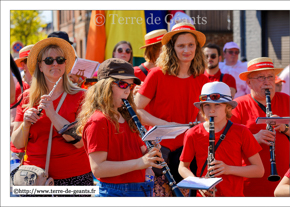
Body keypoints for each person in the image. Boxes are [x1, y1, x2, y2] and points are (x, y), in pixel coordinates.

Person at [11, 37, 92, 196]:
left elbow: (80, 142)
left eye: (60, 59)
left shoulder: (82, 96)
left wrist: (52, 114)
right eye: (49, 60)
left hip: (74, 177)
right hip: (34, 178)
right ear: (40, 66)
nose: (55, 63)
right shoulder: (27, 97)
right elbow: (17, 143)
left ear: (65, 64)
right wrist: (25, 124)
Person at [135, 22, 209, 196]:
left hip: (189, 149)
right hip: (160, 149)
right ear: (171, 48)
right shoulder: (157, 74)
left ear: (197, 48)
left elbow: (202, 117)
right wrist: (168, 125)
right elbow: (137, 110)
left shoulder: (203, 78)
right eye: (181, 45)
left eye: (191, 45)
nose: (186, 50)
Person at [76, 58, 163, 197]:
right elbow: (98, 168)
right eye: (122, 84)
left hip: (140, 188)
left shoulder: (128, 117)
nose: (128, 91)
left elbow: (140, 152)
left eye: (130, 86)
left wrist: (151, 152)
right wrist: (140, 162)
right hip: (115, 192)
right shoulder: (98, 121)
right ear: (106, 86)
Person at [179, 82, 264, 197]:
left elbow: (259, 170)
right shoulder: (192, 133)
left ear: (228, 108)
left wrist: (228, 169)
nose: (211, 110)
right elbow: (182, 167)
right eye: (207, 105)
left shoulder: (242, 131)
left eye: (217, 105)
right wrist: (199, 184)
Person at [231, 57, 290, 197]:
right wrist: (253, 139)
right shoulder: (237, 106)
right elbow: (227, 144)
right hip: (250, 183)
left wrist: (284, 128)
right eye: (261, 77)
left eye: (270, 76)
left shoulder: (287, 100)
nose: (267, 82)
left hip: (284, 180)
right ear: (249, 83)